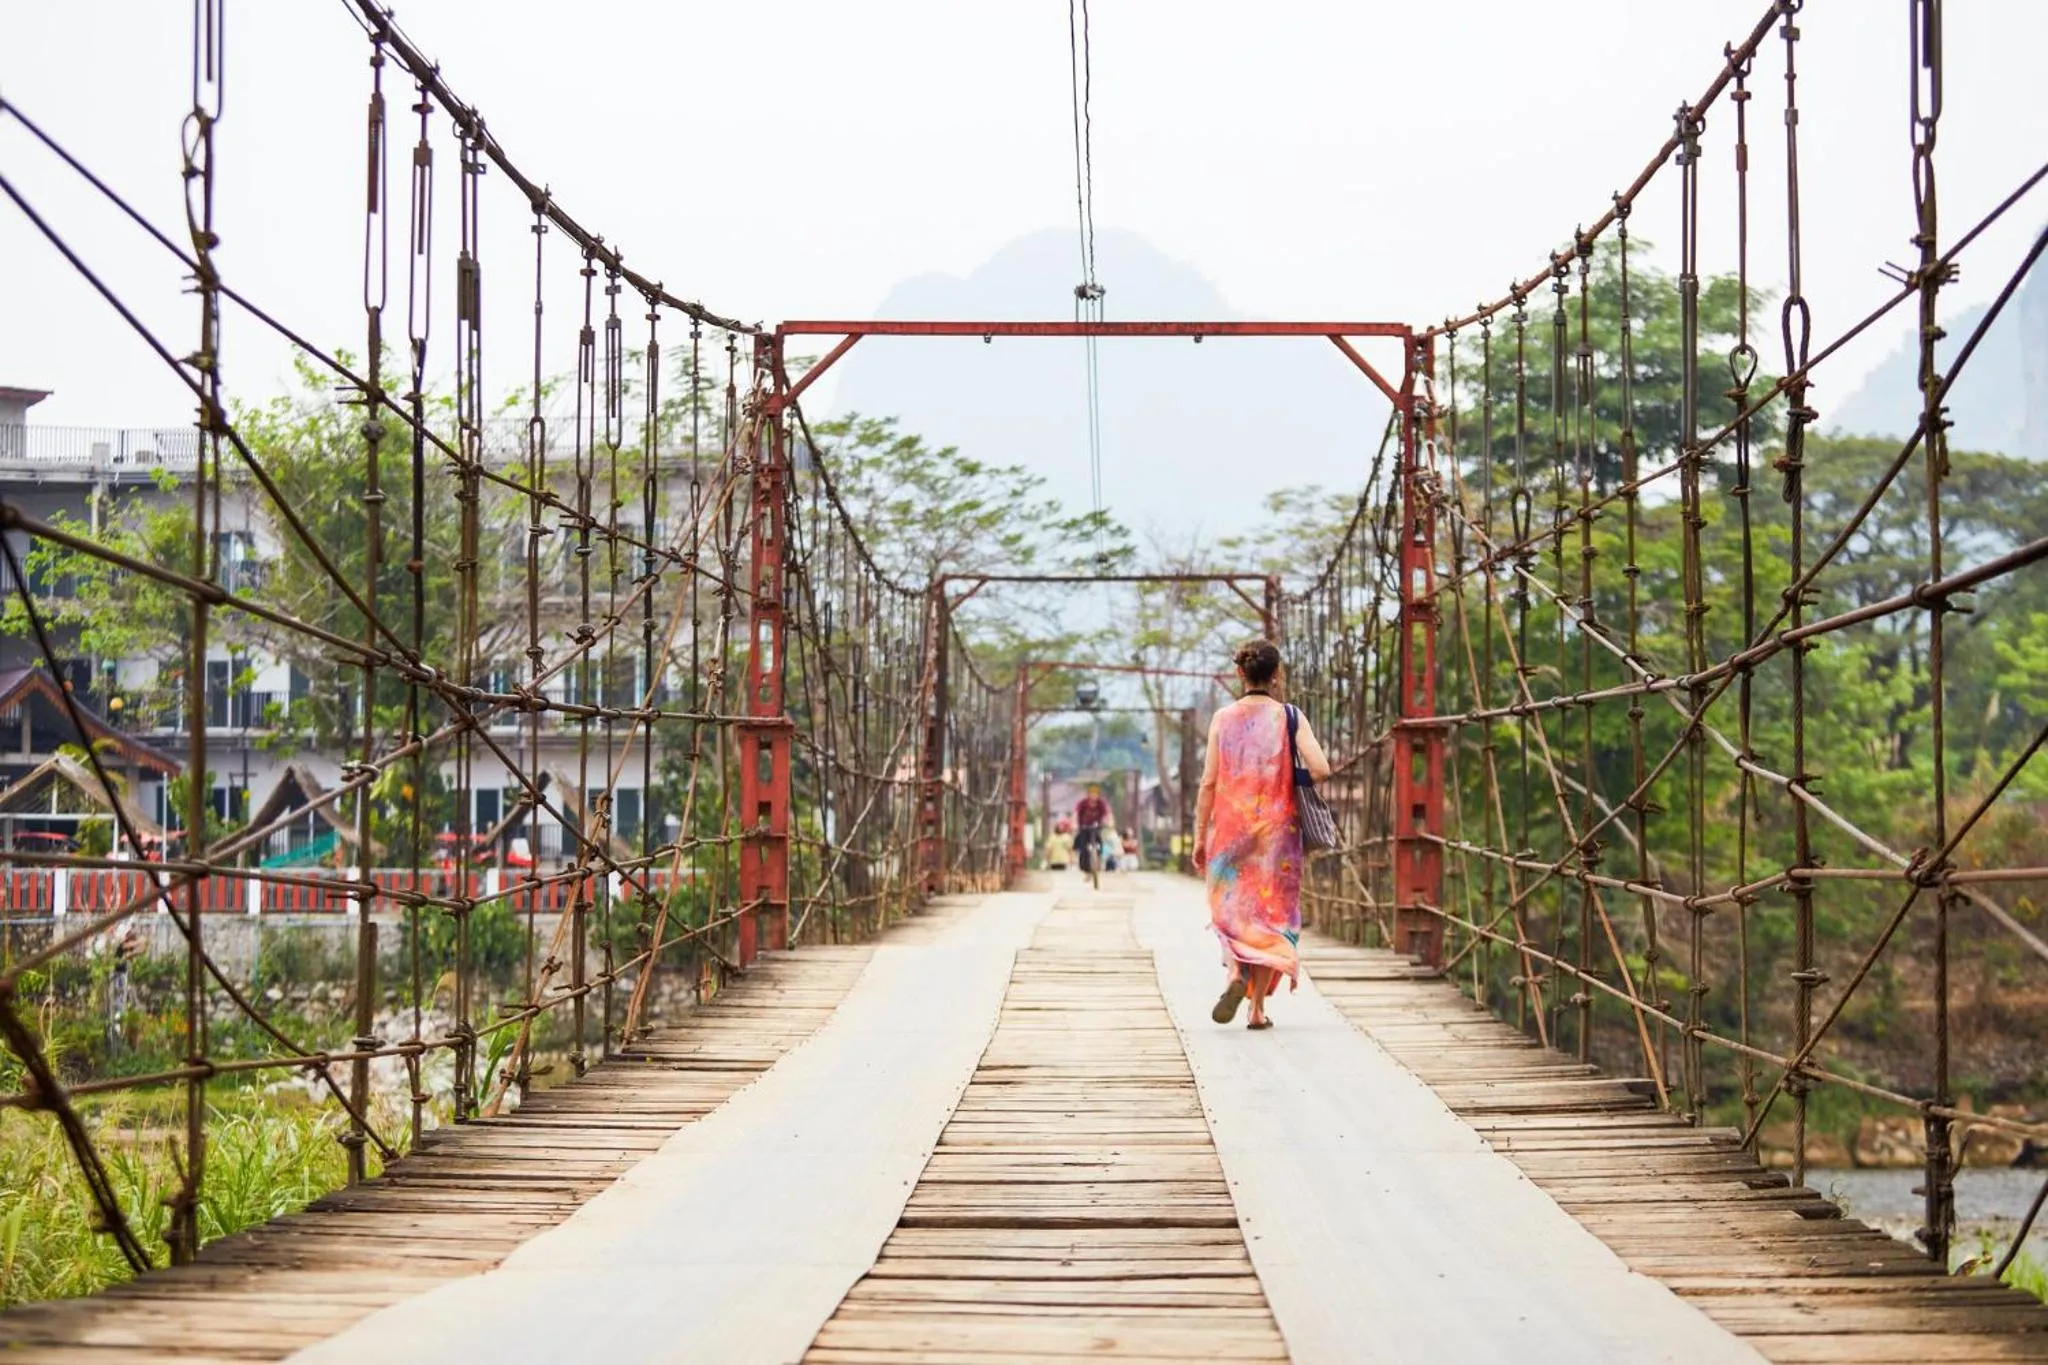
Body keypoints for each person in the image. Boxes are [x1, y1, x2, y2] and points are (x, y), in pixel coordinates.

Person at [1192, 638, 1331, 1030]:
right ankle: (1256, 1011)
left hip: (1230, 833)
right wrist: (1288, 774)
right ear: (1276, 675)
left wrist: (1200, 836)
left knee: (1235, 915)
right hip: (1277, 836)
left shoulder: (1222, 718)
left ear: (1239, 673)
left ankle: (1236, 975)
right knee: (1272, 918)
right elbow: (1321, 769)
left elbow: (1207, 783)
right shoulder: (1289, 716)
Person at [1075, 784, 1109, 887]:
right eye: (1092, 794)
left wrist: (1108, 822)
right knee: (1083, 847)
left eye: (1096, 794)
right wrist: (1074, 823)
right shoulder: (1083, 803)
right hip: (1084, 827)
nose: (1094, 796)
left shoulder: (1101, 803)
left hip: (1096, 827)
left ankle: (1098, 859)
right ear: (1088, 794)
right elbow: (1075, 813)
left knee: (1099, 843)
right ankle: (1086, 870)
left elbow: (1107, 814)